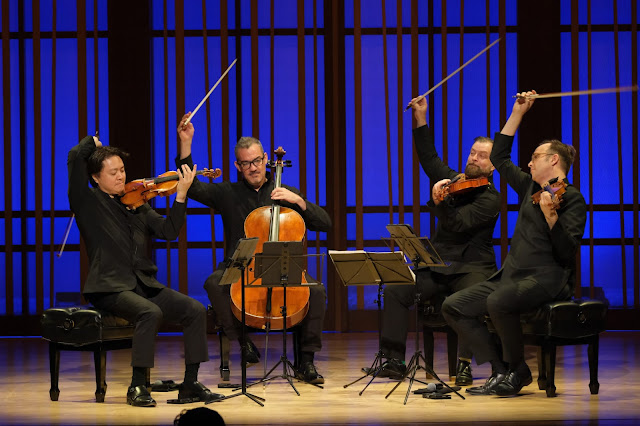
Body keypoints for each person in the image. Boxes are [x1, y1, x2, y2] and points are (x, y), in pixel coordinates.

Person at [441, 90, 587, 396]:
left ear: (554, 160)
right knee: (454, 306)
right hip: (512, 276)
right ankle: (506, 369)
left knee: (498, 301)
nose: (530, 164)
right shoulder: (527, 188)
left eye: (535, 157)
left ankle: (516, 371)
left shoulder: (571, 198)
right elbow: (500, 157)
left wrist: (551, 219)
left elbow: (566, 251)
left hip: (547, 279)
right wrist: (518, 112)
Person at [175, 113, 332, 384]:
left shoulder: (285, 191)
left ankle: (306, 362)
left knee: (316, 291)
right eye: (246, 163)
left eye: (257, 161)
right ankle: (243, 341)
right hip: (240, 266)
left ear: (265, 160)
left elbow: (325, 223)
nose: (253, 167)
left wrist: (300, 202)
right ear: (238, 165)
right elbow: (194, 188)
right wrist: (186, 144)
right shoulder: (228, 193)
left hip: (281, 266)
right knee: (214, 283)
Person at [68, 134, 223, 407]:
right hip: (109, 286)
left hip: (143, 284)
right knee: (150, 312)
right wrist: (92, 142)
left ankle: (190, 384)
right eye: (113, 172)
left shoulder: (137, 204)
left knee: (195, 310)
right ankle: (137, 385)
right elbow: (74, 158)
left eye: (123, 170)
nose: (120, 177)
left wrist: (182, 195)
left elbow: (169, 231)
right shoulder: (87, 202)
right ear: (95, 178)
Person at [372, 97, 501, 385]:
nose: (474, 159)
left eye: (482, 156)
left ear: (493, 167)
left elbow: (458, 222)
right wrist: (420, 116)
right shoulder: (454, 180)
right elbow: (429, 158)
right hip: (441, 264)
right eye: (472, 153)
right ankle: (394, 359)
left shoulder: (491, 199)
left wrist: (439, 202)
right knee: (395, 288)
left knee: (462, 302)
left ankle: (465, 364)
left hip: (473, 267)